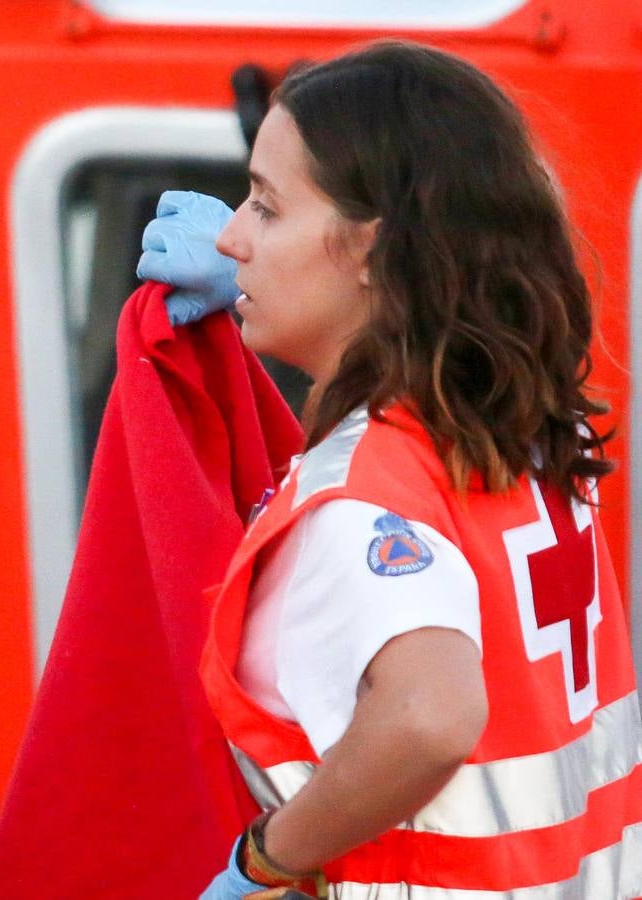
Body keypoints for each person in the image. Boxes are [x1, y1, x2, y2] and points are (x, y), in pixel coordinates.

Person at [137, 42, 642, 897]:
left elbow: (429, 716)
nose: (229, 236)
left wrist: (265, 861)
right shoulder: (525, 434)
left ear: (371, 251)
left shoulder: (361, 500)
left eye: (263, 207)